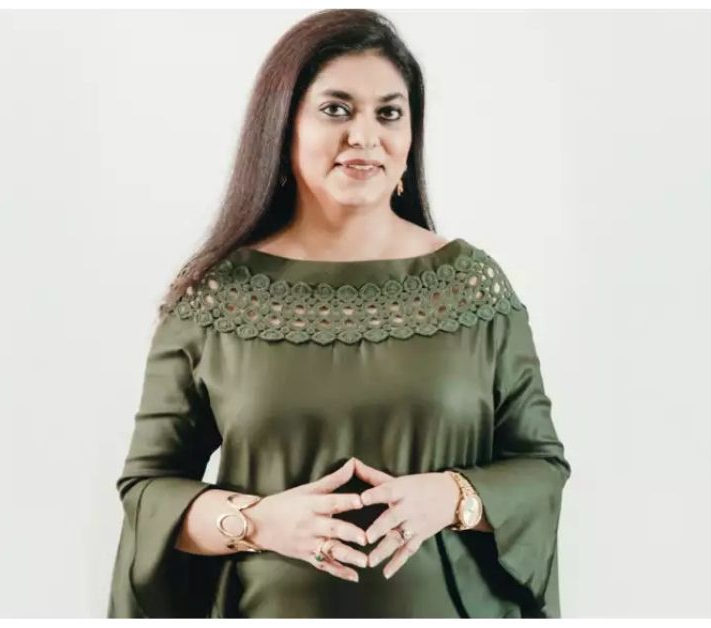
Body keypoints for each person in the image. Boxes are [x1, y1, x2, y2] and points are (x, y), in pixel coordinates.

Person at [106, 9, 570, 618]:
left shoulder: (472, 286)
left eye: (389, 113)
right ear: (283, 126)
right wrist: (258, 521)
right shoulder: (214, 297)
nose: (365, 136)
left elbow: (540, 467)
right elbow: (148, 490)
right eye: (336, 109)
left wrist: (454, 496)